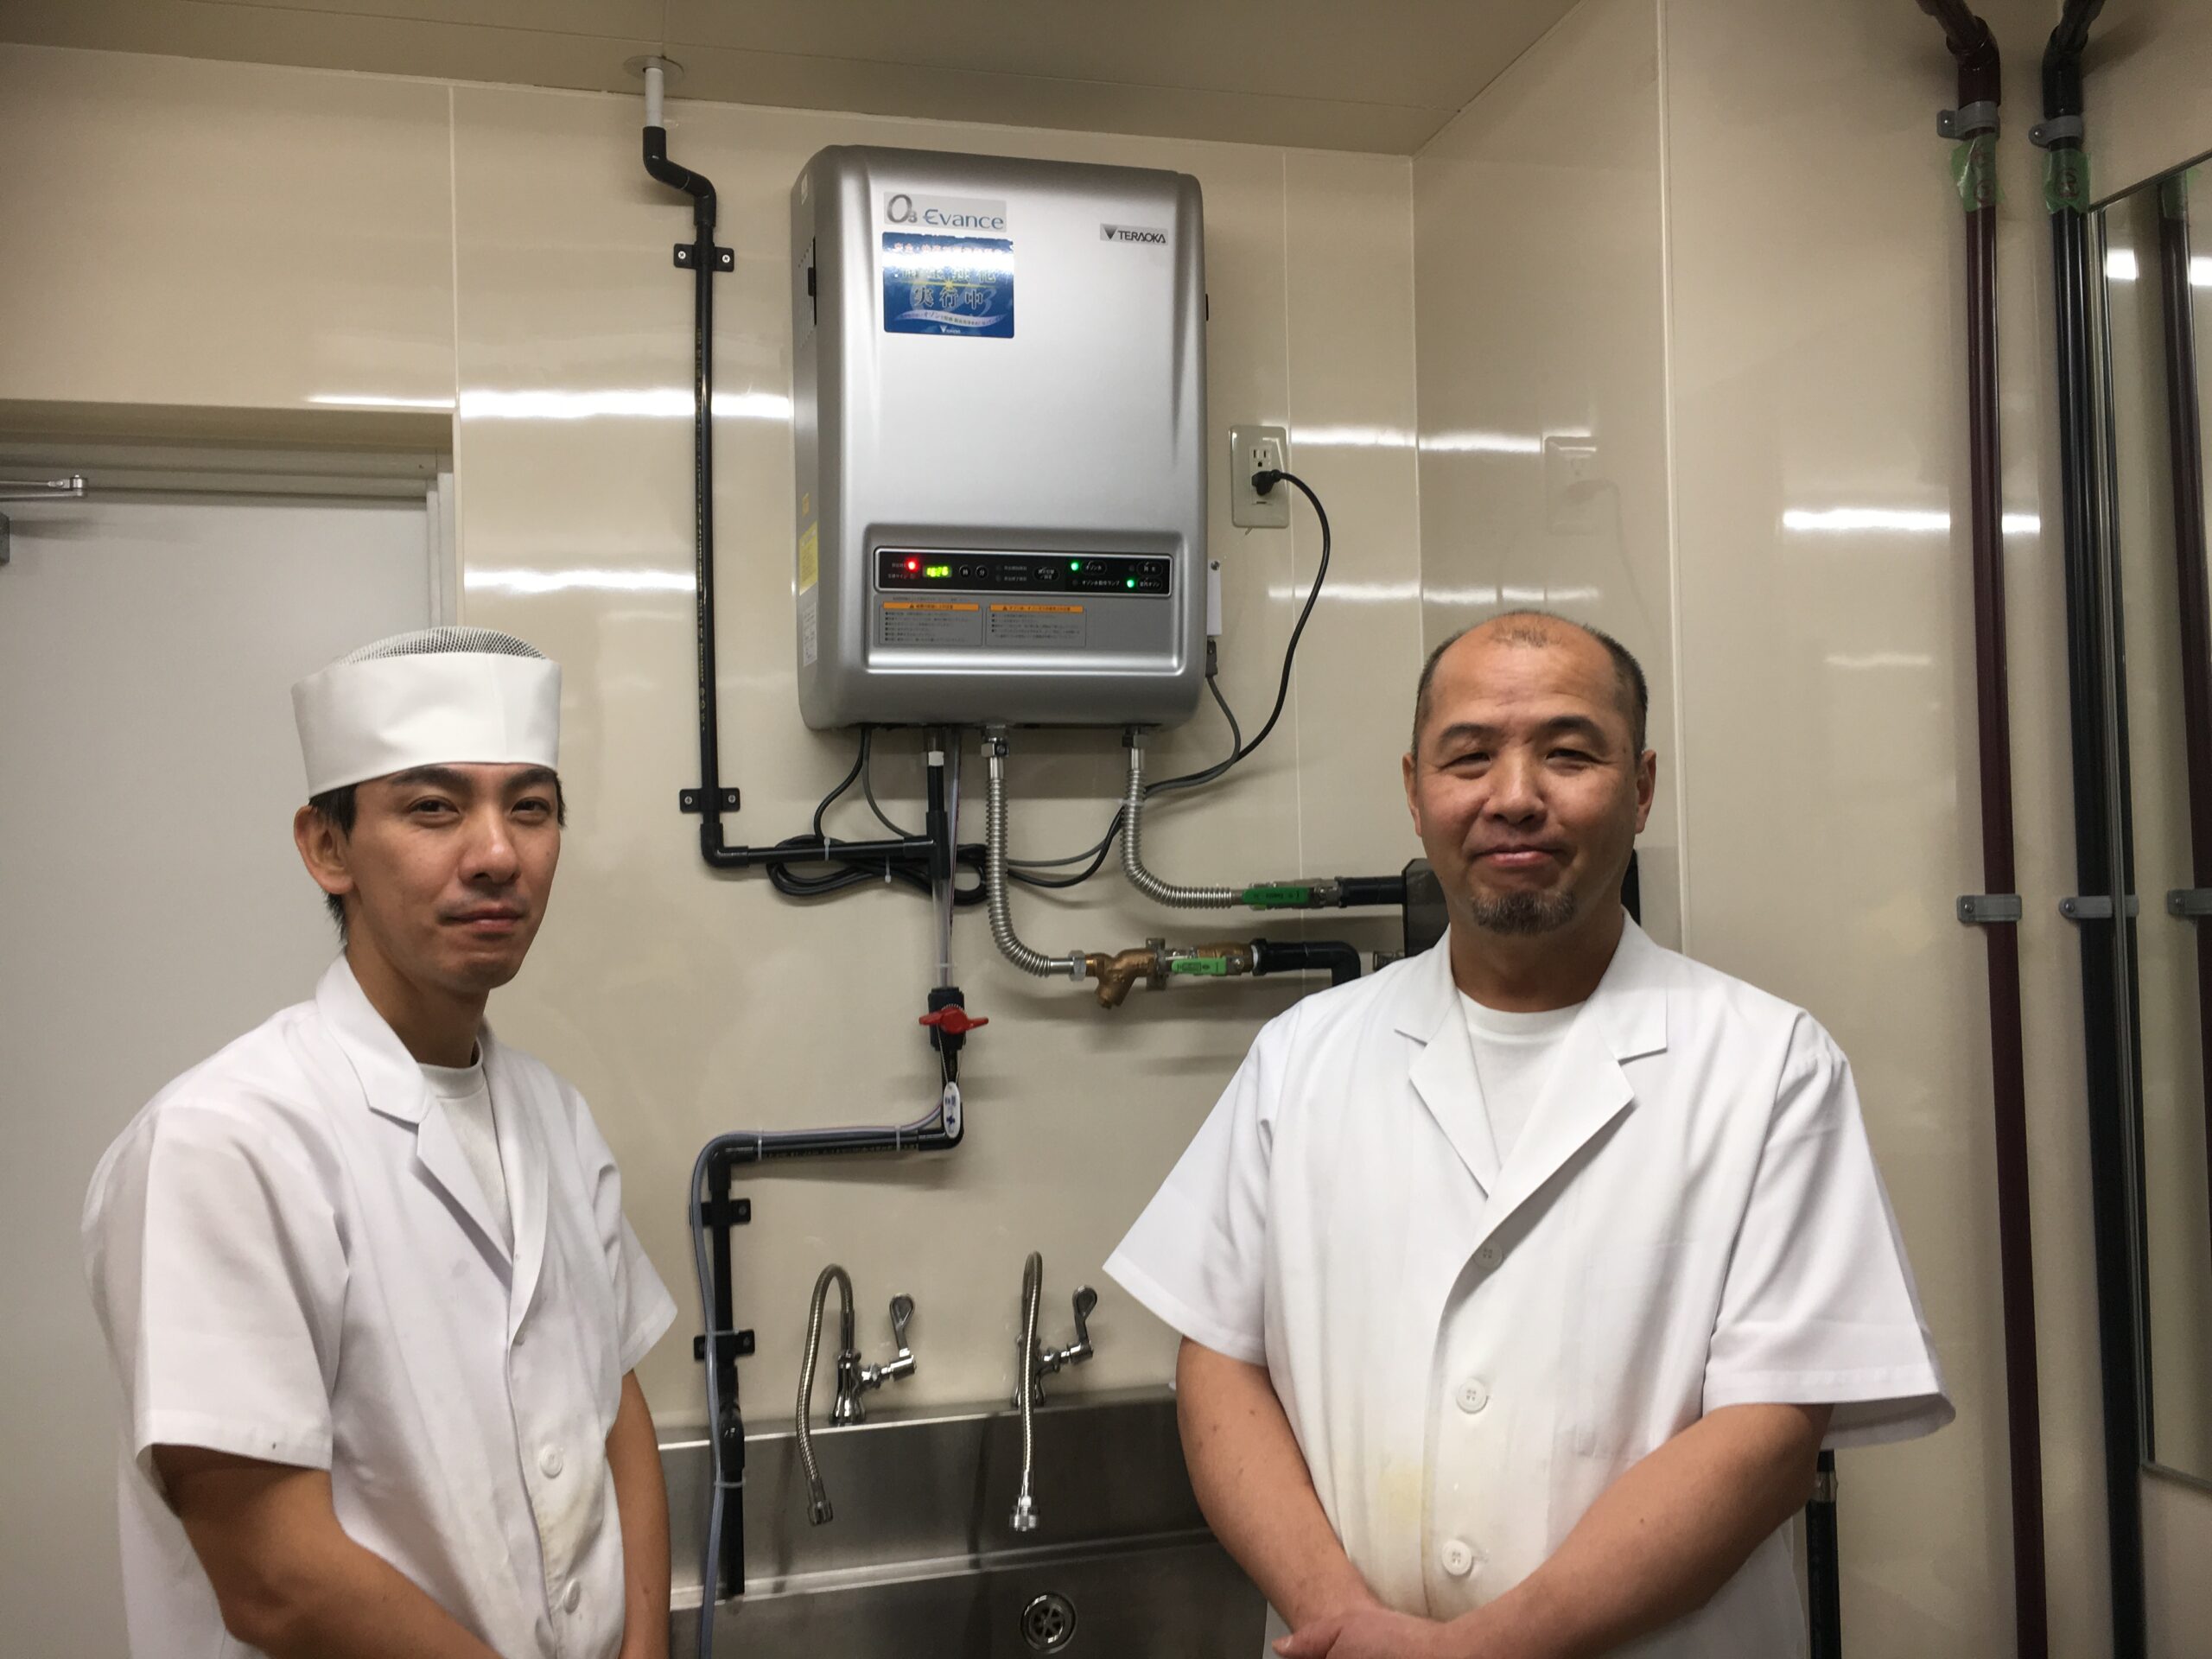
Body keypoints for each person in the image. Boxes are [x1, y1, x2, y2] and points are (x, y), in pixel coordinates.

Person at [1105, 612, 1950, 1658]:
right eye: (1468, 757)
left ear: (1640, 788)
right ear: (1414, 789)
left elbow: (1770, 1436)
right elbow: (1219, 1364)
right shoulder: (1302, 1056)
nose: (1513, 796)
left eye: (1568, 754)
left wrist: (1472, 1652)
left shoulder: (1770, 1066)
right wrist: (1340, 1619)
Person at [82, 627, 677, 1659]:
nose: (497, 855)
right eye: (434, 808)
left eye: (530, 808)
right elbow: (275, 1579)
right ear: (328, 848)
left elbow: (615, 1414)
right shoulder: (223, 1144)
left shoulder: (553, 1115)